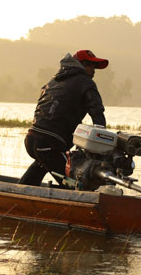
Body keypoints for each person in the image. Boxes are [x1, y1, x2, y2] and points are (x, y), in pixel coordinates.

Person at [19, 49, 108, 186]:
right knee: (74, 183)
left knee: (42, 164)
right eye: (90, 65)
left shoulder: (54, 80)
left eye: (95, 66)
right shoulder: (86, 83)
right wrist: (103, 141)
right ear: (81, 65)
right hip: (50, 144)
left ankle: (17, 192)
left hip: (32, 140)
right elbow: (97, 112)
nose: (94, 70)